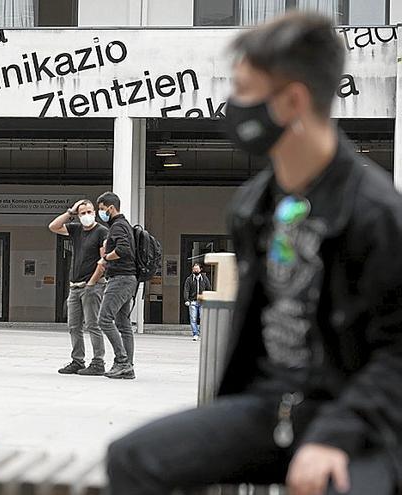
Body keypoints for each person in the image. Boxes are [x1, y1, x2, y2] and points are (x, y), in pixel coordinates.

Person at [107, 13, 402, 495]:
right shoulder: (253, 206)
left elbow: (397, 353)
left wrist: (338, 435)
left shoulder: (377, 214)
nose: (232, 106)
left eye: (244, 91)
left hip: (365, 423)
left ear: (291, 101)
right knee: (133, 459)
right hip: (274, 407)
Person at [49, 199, 110, 376]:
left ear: (95, 213)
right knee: (73, 326)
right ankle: (77, 360)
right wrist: (70, 212)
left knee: (93, 324)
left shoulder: (101, 232)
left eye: (89, 212)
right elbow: (53, 226)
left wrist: (92, 282)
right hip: (75, 286)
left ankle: (98, 362)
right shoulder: (76, 229)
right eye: (82, 213)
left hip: (92, 286)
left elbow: (103, 261)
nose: (86, 216)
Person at [95, 192, 138, 380]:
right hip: (128, 279)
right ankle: (127, 367)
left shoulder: (118, 226)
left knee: (104, 319)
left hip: (120, 279)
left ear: (111, 208)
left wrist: (106, 257)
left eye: (102, 209)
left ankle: (122, 362)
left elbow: (123, 250)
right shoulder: (124, 225)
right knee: (123, 324)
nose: (100, 213)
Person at [183, 263, 211, 341]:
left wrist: (208, 299)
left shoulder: (204, 278)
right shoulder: (189, 279)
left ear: (200, 269)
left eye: (197, 269)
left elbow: (208, 288)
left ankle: (201, 333)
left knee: (202, 318)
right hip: (193, 301)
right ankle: (195, 334)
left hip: (202, 301)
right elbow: (186, 290)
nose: (195, 270)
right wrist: (186, 300)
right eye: (194, 269)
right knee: (193, 318)